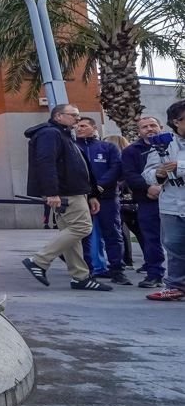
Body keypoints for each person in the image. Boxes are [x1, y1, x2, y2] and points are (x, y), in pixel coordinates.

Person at [21, 103, 110, 291]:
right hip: (67, 193)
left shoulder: (63, 134)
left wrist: (91, 194)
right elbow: (46, 163)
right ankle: (39, 260)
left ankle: (80, 277)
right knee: (82, 227)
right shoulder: (50, 133)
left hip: (73, 192)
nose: (78, 118)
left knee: (72, 235)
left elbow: (79, 167)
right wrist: (52, 192)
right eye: (74, 115)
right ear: (59, 116)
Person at [74, 117, 129, 284]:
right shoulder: (72, 147)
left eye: (83, 126)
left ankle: (117, 270)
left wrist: (99, 186)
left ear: (94, 127)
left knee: (113, 234)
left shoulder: (108, 147)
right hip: (82, 198)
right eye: (77, 126)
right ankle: (87, 272)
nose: (79, 129)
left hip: (107, 197)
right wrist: (88, 189)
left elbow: (116, 168)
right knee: (84, 236)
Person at [143, 100, 185, 301]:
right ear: (176, 122)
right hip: (171, 205)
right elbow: (148, 172)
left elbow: (178, 167)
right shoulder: (163, 143)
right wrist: (158, 174)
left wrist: (179, 167)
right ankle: (176, 286)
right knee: (174, 248)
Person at [122, 116, 168, 289]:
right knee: (151, 239)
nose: (149, 129)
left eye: (153, 125)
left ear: (160, 127)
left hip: (176, 200)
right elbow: (129, 174)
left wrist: (162, 187)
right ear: (138, 131)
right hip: (148, 200)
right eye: (145, 127)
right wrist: (148, 188)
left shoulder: (174, 145)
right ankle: (154, 275)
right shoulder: (131, 151)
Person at [105, 134, 144, 270]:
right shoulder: (130, 158)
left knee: (120, 231)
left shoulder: (115, 161)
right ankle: (144, 261)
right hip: (133, 200)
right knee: (138, 231)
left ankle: (126, 260)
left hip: (119, 199)